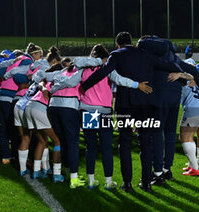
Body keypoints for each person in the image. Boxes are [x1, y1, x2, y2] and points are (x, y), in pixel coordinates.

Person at [80, 32, 183, 192]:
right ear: (132, 42)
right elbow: (168, 65)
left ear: (118, 45)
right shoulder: (146, 54)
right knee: (145, 144)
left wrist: (85, 86)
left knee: (125, 144)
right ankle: (146, 182)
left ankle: (127, 183)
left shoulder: (117, 55)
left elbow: (103, 72)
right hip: (147, 105)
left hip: (125, 105)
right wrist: (179, 73)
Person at [50, 44, 152, 190]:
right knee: (106, 148)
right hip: (104, 111)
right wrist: (137, 85)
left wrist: (53, 88)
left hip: (87, 110)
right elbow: (120, 80)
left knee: (91, 147)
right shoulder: (107, 69)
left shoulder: (84, 69)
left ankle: (91, 180)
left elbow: (69, 82)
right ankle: (108, 182)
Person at [137, 35, 199, 185]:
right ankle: (167, 169)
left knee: (157, 133)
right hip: (175, 96)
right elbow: (193, 70)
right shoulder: (173, 56)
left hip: (159, 96)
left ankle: (158, 173)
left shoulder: (149, 56)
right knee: (170, 133)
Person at [14, 46, 62, 178]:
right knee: (45, 140)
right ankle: (45, 169)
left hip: (20, 105)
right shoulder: (52, 79)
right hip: (32, 107)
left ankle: (25, 170)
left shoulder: (39, 75)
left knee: (27, 138)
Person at [0, 43, 42, 164]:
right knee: (18, 130)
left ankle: (6, 155)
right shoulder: (27, 61)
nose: (41, 57)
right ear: (34, 54)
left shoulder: (16, 60)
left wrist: (6, 75)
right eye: (39, 54)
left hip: (0, 95)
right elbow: (19, 77)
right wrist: (29, 79)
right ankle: (20, 157)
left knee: (5, 127)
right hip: (11, 95)